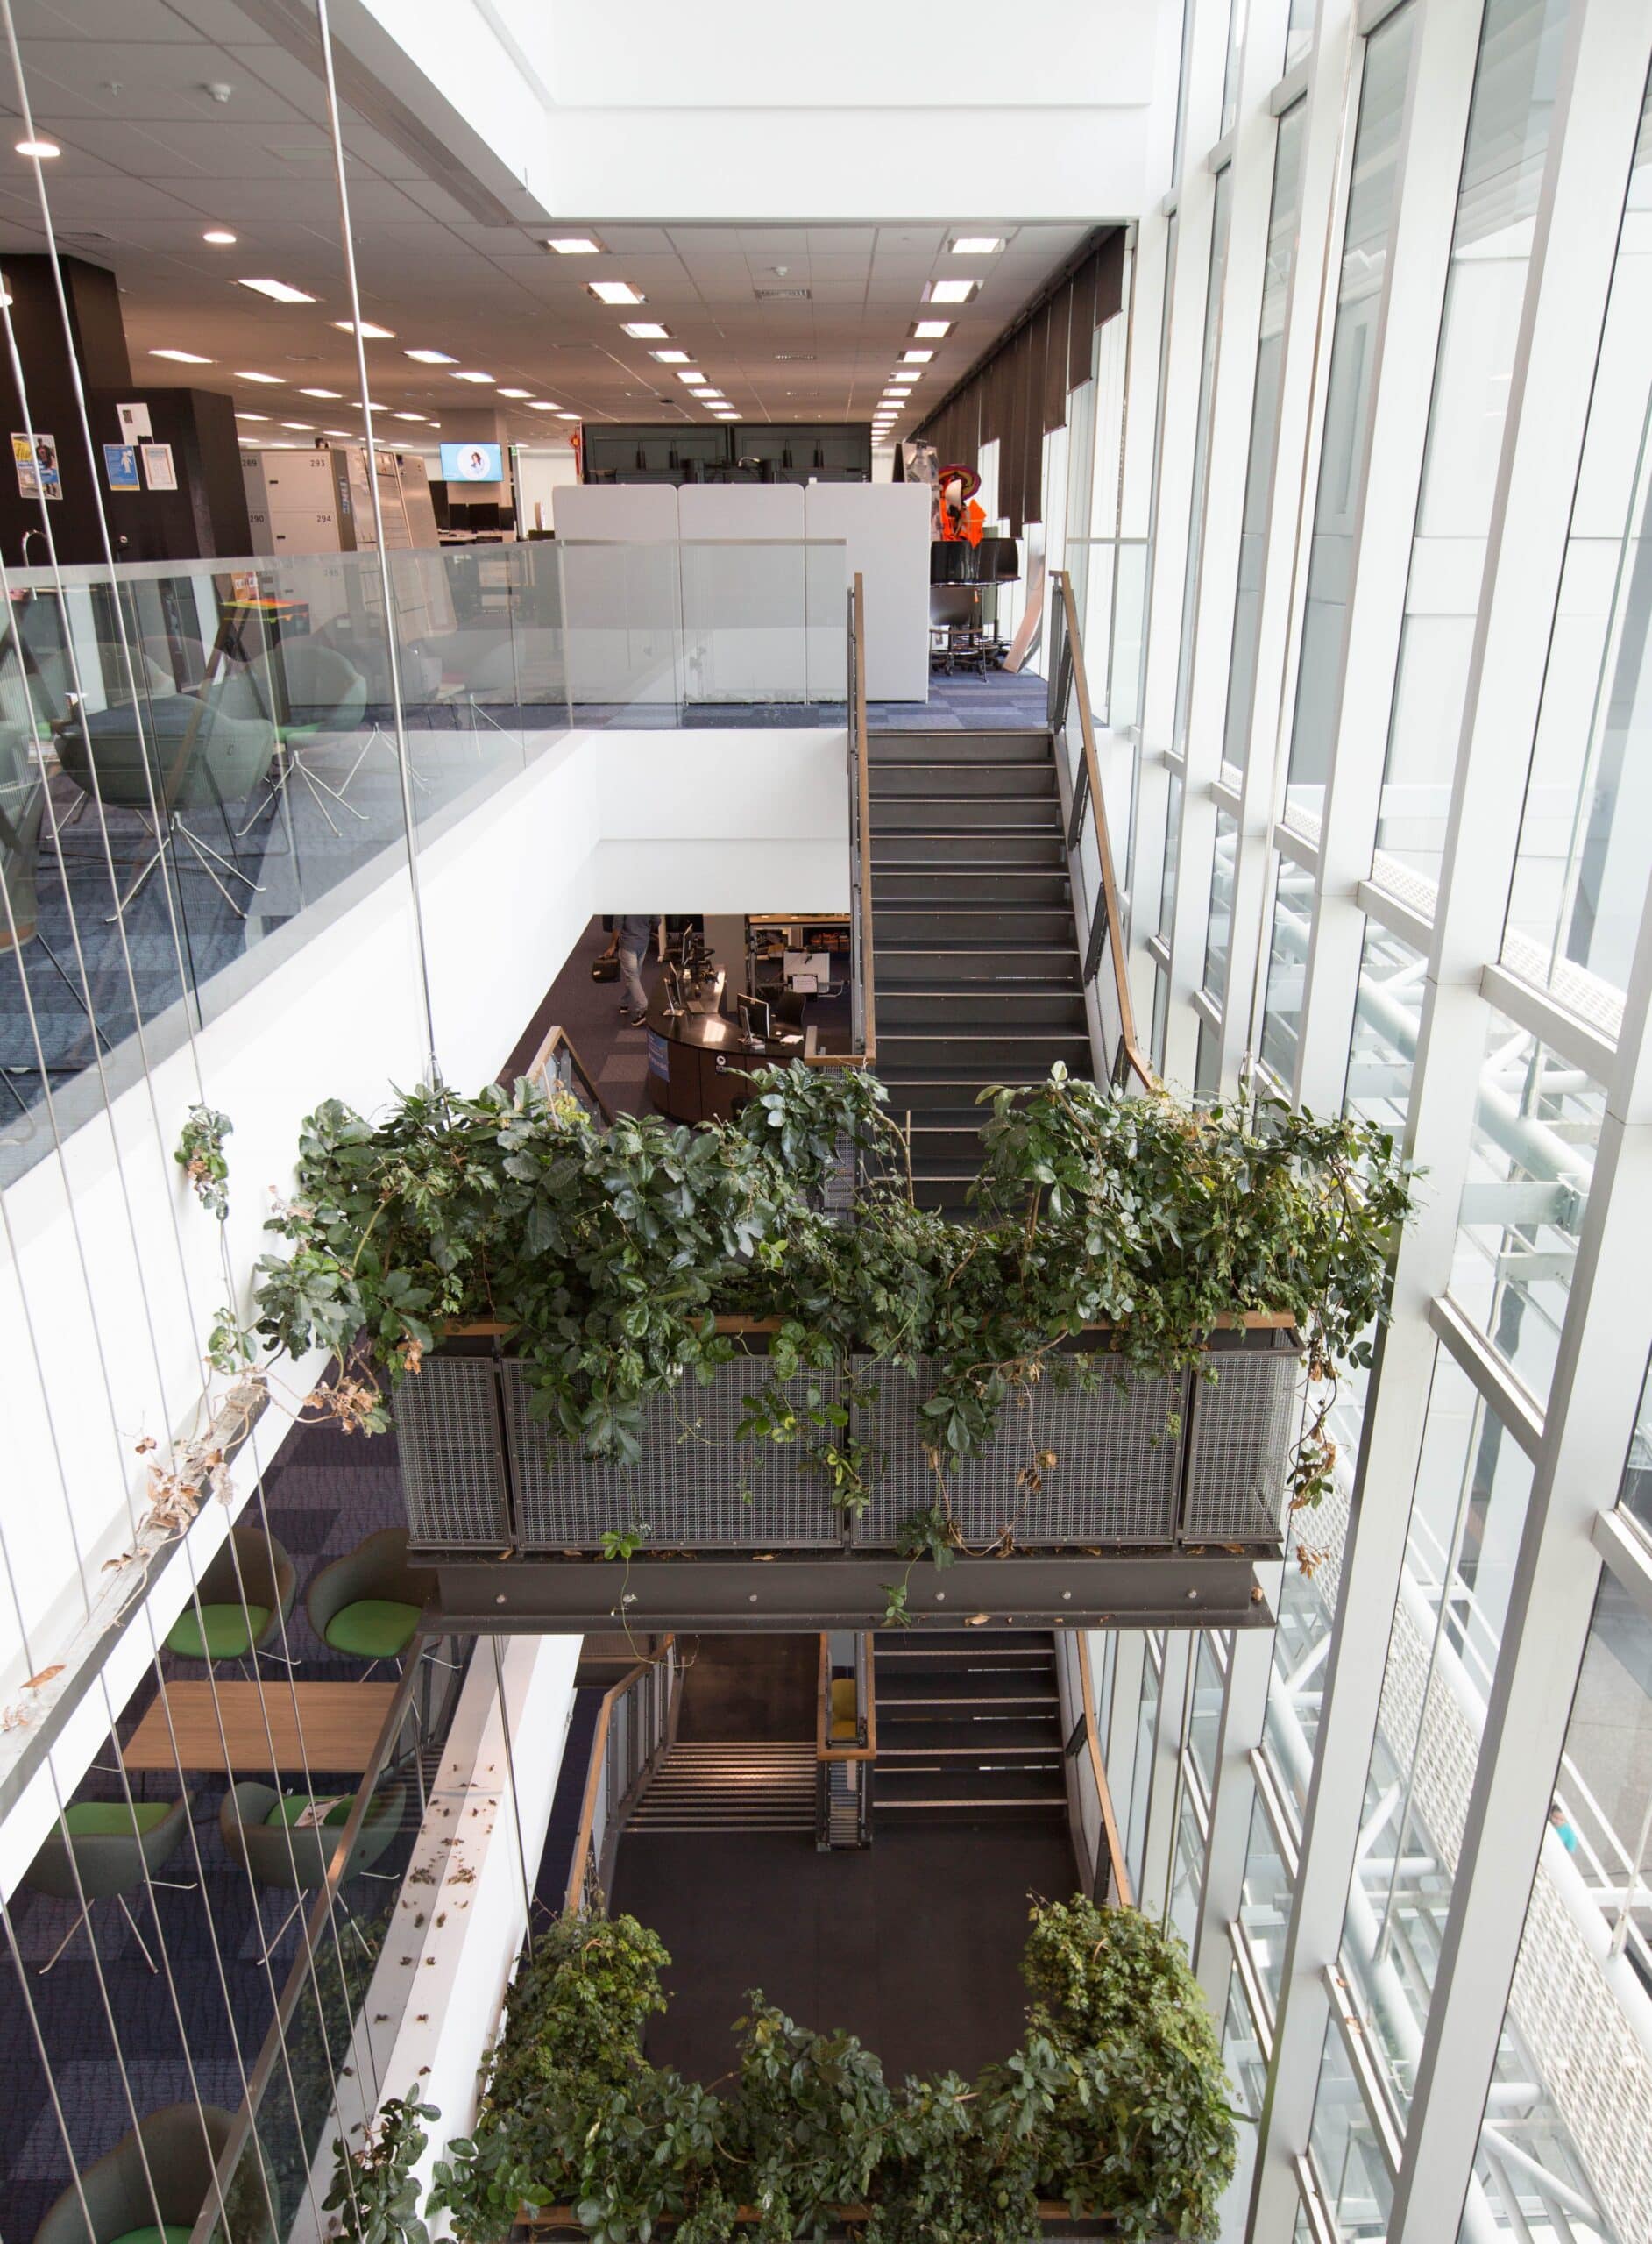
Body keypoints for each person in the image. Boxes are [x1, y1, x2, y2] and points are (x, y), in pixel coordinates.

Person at [616, 913, 655, 1027]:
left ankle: (643, 1010)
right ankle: (624, 1002)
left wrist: (612, 945)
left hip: (628, 944)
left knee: (632, 976)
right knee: (634, 975)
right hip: (643, 941)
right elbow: (657, 920)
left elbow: (617, 925)